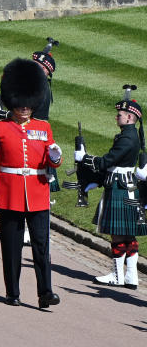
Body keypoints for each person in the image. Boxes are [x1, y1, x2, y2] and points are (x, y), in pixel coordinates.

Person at [0, 58, 63, 308]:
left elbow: (52, 160)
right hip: (10, 194)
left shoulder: (44, 127)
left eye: (29, 104)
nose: (25, 108)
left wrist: (56, 157)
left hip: (38, 193)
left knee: (41, 246)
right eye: (21, 104)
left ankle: (45, 292)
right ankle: (13, 292)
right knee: (11, 247)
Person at [80, 88, 146, 288]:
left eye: (119, 114)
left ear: (129, 117)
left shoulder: (127, 138)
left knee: (118, 234)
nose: (116, 117)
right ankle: (131, 277)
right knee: (128, 234)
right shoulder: (129, 135)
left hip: (120, 185)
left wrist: (84, 158)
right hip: (127, 185)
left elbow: (107, 161)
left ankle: (118, 276)